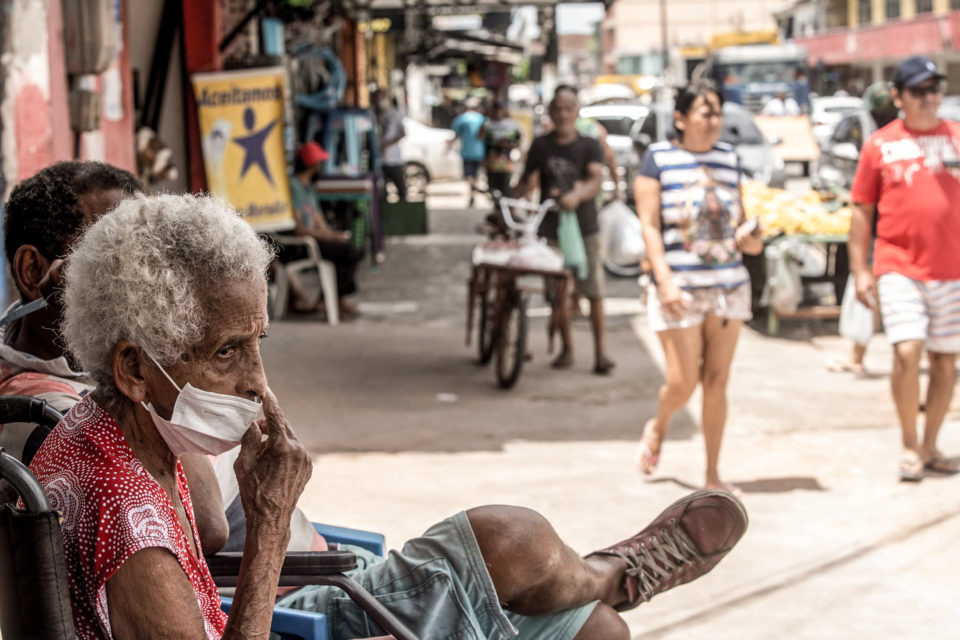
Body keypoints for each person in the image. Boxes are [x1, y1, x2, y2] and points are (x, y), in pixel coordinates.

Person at [36, 192, 749, 639]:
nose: (257, 381)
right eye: (227, 353)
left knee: (595, 629)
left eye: (259, 344)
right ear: (132, 368)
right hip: (269, 613)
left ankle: (604, 577)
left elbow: (210, 527)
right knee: (518, 543)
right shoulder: (129, 522)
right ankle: (606, 571)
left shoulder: (110, 428)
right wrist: (275, 523)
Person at [0, 161, 231, 553]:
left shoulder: (94, 367)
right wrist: (126, 335)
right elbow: (206, 525)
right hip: (282, 593)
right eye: (116, 257)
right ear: (33, 270)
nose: (146, 277)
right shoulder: (39, 414)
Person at [633, 80, 764, 495]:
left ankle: (712, 475)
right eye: (705, 113)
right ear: (681, 118)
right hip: (680, 286)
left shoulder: (728, 157)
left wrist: (751, 238)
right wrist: (664, 281)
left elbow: (737, 222)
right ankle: (660, 424)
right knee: (683, 382)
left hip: (728, 285)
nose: (713, 121)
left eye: (717, 113)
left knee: (718, 380)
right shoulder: (657, 158)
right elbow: (649, 227)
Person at [849, 56, 960, 481]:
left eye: (934, 89)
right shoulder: (879, 144)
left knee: (946, 363)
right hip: (898, 266)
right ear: (898, 97)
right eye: (919, 90)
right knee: (907, 351)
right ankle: (909, 443)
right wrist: (861, 269)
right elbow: (861, 211)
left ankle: (931, 444)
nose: (929, 98)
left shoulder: (955, 137)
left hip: (951, 269)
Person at [516, 85, 616, 374]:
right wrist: (510, 200)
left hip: (585, 227)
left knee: (593, 292)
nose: (562, 114)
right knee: (556, 292)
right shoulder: (540, 146)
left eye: (568, 108)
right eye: (557, 109)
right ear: (550, 112)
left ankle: (601, 353)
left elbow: (596, 180)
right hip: (550, 230)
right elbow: (526, 182)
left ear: (576, 111)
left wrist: (578, 194)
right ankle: (567, 349)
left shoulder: (589, 145)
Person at [828, 82, 898, 377]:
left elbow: (865, 203)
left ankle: (859, 357)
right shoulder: (884, 142)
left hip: (885, 236)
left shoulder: (882, 145)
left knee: (871, 295)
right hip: (887, 235)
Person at [288, 141, 362, 318]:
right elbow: (300, 229)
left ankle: (334, 297)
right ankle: (334, 299)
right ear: (313, 164)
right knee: (348, 252)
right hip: (300, 245)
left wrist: (333, 235)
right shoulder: (294, 186)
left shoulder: (309, 188)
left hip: (314, 239)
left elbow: (319, 219)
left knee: (352, 251)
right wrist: (329, 236)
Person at [481, 99, 522, 197]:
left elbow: (518, 141)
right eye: (495, 109)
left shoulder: (512, 125)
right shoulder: (487, 125)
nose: (497, 111)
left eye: (499, 109)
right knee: (493, 190)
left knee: (504, 188)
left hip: (506, 163)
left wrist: (507, 145)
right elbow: (481, 139)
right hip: (491, 163)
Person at [450, 97, 486, 207]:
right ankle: (473, 190)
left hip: (467, 152)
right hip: (480, 151)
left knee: (469, 175)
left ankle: (472, 190)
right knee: (475, 174)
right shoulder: (481, 118)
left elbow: (456, 133)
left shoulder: (462, 119)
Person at [375, 91, 407, 201]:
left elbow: (403, 133)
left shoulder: (395, 114)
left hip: (395, 159)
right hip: (380, 161)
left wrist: (387, 144)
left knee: (401, 189)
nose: (380, 101)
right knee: (382, 193)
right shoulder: (375, 115)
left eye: (382, 98)